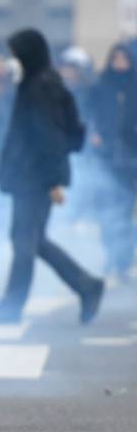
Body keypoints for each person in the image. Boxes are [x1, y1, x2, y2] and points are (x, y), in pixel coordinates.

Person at [0, 29, 104, 323]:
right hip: (29, 176)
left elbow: (50, 138)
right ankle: (87, 285)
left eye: (16, 54)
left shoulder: (41, 86)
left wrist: (52, 181)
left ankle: (13, 306)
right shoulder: (36, 82)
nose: (12, 61)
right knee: (33, 240)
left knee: (24, 241)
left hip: (35, 177)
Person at [86, 44, 137, 281]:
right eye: (115, 58)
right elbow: (89, 115)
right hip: (105, 156)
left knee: (125, 211)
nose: (119, 62)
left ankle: (123, 261)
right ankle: (110, 255)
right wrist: (94, 133)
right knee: (107, 209)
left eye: (123, 58)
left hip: (129, 157)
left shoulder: (134, 86)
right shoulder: (101, 86)